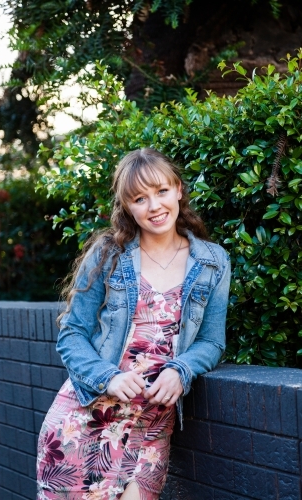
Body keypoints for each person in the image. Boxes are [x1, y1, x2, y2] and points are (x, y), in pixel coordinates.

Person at [36, 148, 231, 500]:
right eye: (139, 198)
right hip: (85, 421)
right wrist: (107, 376)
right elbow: (72, 333)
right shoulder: (109, 253)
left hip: (152, 427)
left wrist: (181, 369)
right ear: (127, 206)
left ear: (178, 190)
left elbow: (212, 341)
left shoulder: (212, 261)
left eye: (161, 191)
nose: (154, 206)